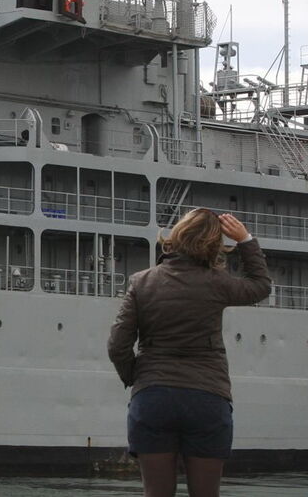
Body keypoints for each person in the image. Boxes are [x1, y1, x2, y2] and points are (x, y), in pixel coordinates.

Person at [107, 209, 270, 497]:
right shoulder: (217, 282)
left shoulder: (142, 281)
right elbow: (260, 286)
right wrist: (245, 239)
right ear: (213, 244)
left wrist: (138, 378)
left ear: (178, 235)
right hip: (207, 398)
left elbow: (118, 344)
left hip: (153, 397)